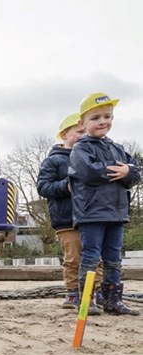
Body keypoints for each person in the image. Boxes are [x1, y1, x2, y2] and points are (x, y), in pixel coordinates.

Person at [69, 92, 141, 316]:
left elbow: (135, 172)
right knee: (91, 256)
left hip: (117, 212)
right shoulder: (81, 148)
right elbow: (89, 171)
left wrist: (128, 170)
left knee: (114, 258)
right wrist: (118, 170)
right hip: (91, 212)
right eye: (96, 118)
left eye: (107, 116)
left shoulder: (118, 148)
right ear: (83, 123)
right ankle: (86, 299)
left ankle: (112, 299)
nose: (103, 122)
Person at [37, 113, 104, 312]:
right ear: (64, 135)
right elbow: (43, 187)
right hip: (66, 218)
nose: (83, 136)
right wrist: (66, 186)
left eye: (85, 132)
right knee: (73, 257)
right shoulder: (54, 161)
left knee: (95, 257)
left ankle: (96, 290)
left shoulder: (93, 157)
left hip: (92, 216)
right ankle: (73, 291)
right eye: (78, 132)